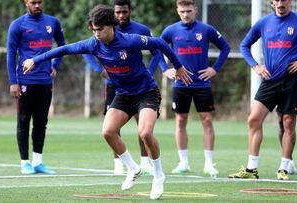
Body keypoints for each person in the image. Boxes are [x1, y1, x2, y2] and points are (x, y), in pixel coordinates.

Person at [22, 4, 192, 199]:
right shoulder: (93, 44)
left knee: (145, 133)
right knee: (108, 131)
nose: (96, 33)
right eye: (94, 29)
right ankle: (132, 168)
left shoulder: (130, 41)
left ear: (111, 26)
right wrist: (35, 60)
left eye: (100, 29)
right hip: (123, 94)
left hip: (146, 92)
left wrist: (178, 66)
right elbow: (64, 49)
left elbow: (160, 44)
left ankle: (159, 174)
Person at [228, 0, 297, 180]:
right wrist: (256, 66)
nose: (281, 3)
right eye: (277, 0)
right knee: (253, 119)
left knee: (288, 122)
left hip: (291, 81)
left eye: (284, 0)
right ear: (272, 2)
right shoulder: (263, 23)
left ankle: (284, 167)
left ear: (290, 1)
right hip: (269, 80)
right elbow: (244, 45)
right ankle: (252, 169)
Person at [82, 0, 170, 176]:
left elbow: (157, 49)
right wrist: (100, 69)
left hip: (141, 87)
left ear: (129, 11)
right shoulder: (100, 32)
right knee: (111, 127)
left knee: (143, 126)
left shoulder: (139, 31)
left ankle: (145, 162)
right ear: (113, 14)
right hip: (116, 86)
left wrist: (152, 71)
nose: (120, 15)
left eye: (124, 12)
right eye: (117, 12)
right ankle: (120, 164)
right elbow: (82, 49)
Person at [160, 0, 230, 177]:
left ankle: (208, 164)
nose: (186, 14)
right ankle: (183, 163)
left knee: (206, 120)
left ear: (195, 10)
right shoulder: (171, 30)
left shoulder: (206, 29)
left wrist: (214, 69)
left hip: (202, 84)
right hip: (180, 84)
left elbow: (225, 47)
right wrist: (165, 69)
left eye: (189, 11)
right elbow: (157, 49)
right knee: (180, 120)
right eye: (182, 11)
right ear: (177, 11)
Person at [6, 0, 65, 175]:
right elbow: (10, 53)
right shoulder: (17, 25)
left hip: (45, 82)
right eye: (33, 2)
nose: (37, 5)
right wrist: (13, 81)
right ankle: (25, 163)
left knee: (41, 122)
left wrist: (56, 65)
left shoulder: (52, 22)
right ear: (26, 3)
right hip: (25, 81)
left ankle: (38, 162)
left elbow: (62, 46)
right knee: (23, 121)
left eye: (40, 2)